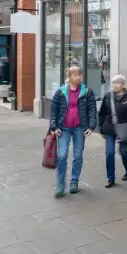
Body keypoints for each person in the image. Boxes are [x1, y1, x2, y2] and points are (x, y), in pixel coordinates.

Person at [48, 65, 97, 197]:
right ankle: (60, 184)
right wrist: (54, 126)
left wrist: (91, 126)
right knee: (62, 155)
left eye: (80, 74)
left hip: (80, 128)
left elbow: (92, 109)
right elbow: (54, 110)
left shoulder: (87, 91)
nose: (79, 77)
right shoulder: (61, 91)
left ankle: (74, 182)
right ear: (69, 77)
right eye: (75, 75)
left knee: (77, 155)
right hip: (64, 127)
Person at [98, 75, 127, 188]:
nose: (115, 85)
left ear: (123, 84)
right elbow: (101, 113)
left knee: (123, 151)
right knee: (110, 153)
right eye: (113, 83)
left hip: (124, 127)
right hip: (109, 127)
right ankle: (110, 178)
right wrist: (101, 128)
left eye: (118, 83)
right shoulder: (108, 96)